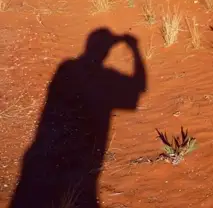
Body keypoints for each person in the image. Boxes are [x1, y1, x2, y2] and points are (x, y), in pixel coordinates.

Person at [11, 28, 147, 208]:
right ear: (105, 50)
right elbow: (137, 90)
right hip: (82, 162)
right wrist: (135, 49)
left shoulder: (66, 68)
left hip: (48, 152)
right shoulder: (106, 77)